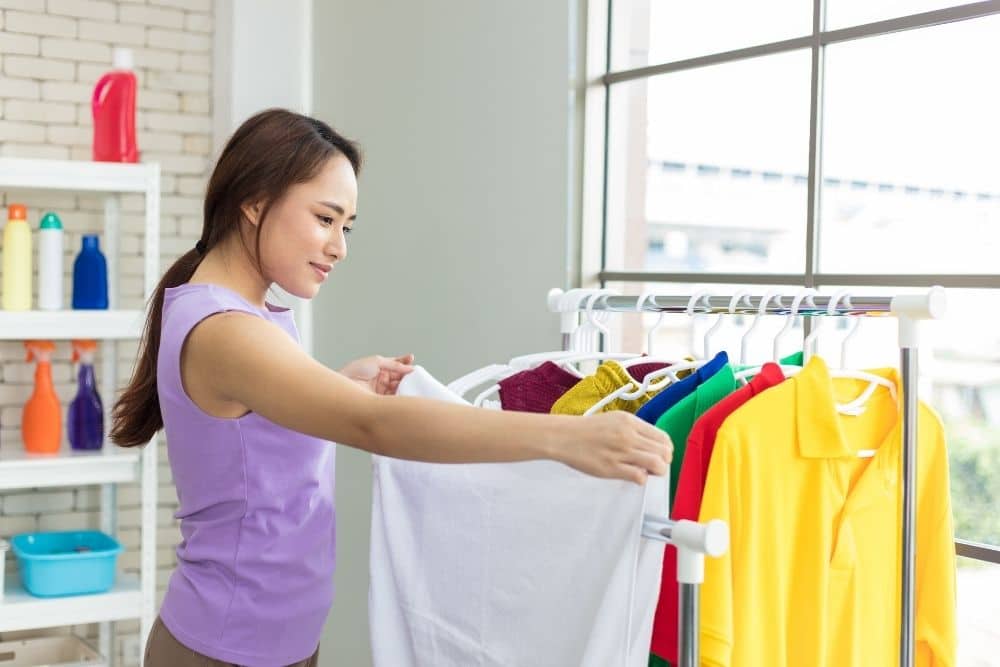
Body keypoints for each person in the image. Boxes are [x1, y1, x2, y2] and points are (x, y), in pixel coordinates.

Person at [111, 108, 672, 667]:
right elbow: (372, 425)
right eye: (325, 219)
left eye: (346, 226)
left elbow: (245, 444)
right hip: (225, 648)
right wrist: (565, 439)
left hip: (270, 643)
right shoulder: (227, 330)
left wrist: (333, 384)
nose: (339, 247)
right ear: (255, 202)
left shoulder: (250, 315)